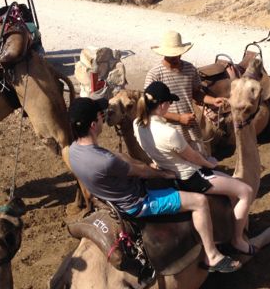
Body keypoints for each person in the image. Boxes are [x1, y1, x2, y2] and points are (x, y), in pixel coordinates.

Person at [68, 96, 241, 273]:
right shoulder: (105, 161)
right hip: (137, 203)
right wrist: (163, 173)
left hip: (109, 198)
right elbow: (142, 172)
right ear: (93, 125)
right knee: (200, 202)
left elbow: (122, 160)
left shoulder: (73, 151)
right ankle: (212, 256)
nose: (103, 117)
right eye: (100, 115)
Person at [134, 81, 257, 255]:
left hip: (166, 170)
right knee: (245, 191)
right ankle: (237, 240)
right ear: (162, 105)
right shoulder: (169, 133)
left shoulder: (137, 124)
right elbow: (193, 157)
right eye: (169, 102)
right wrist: (210, 163)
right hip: (191, 177)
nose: (170, 105)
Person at [144, 30, 226, 154]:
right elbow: (149, 107)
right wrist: (179, 118)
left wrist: (213, 100)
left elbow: (196, 93)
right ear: (164, 54)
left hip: (191, 129)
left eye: (178, 54)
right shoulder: (154, 74)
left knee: (200, 159)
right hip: (167, 132)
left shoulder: (190, 69)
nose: (176, 57)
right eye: (172, 55)